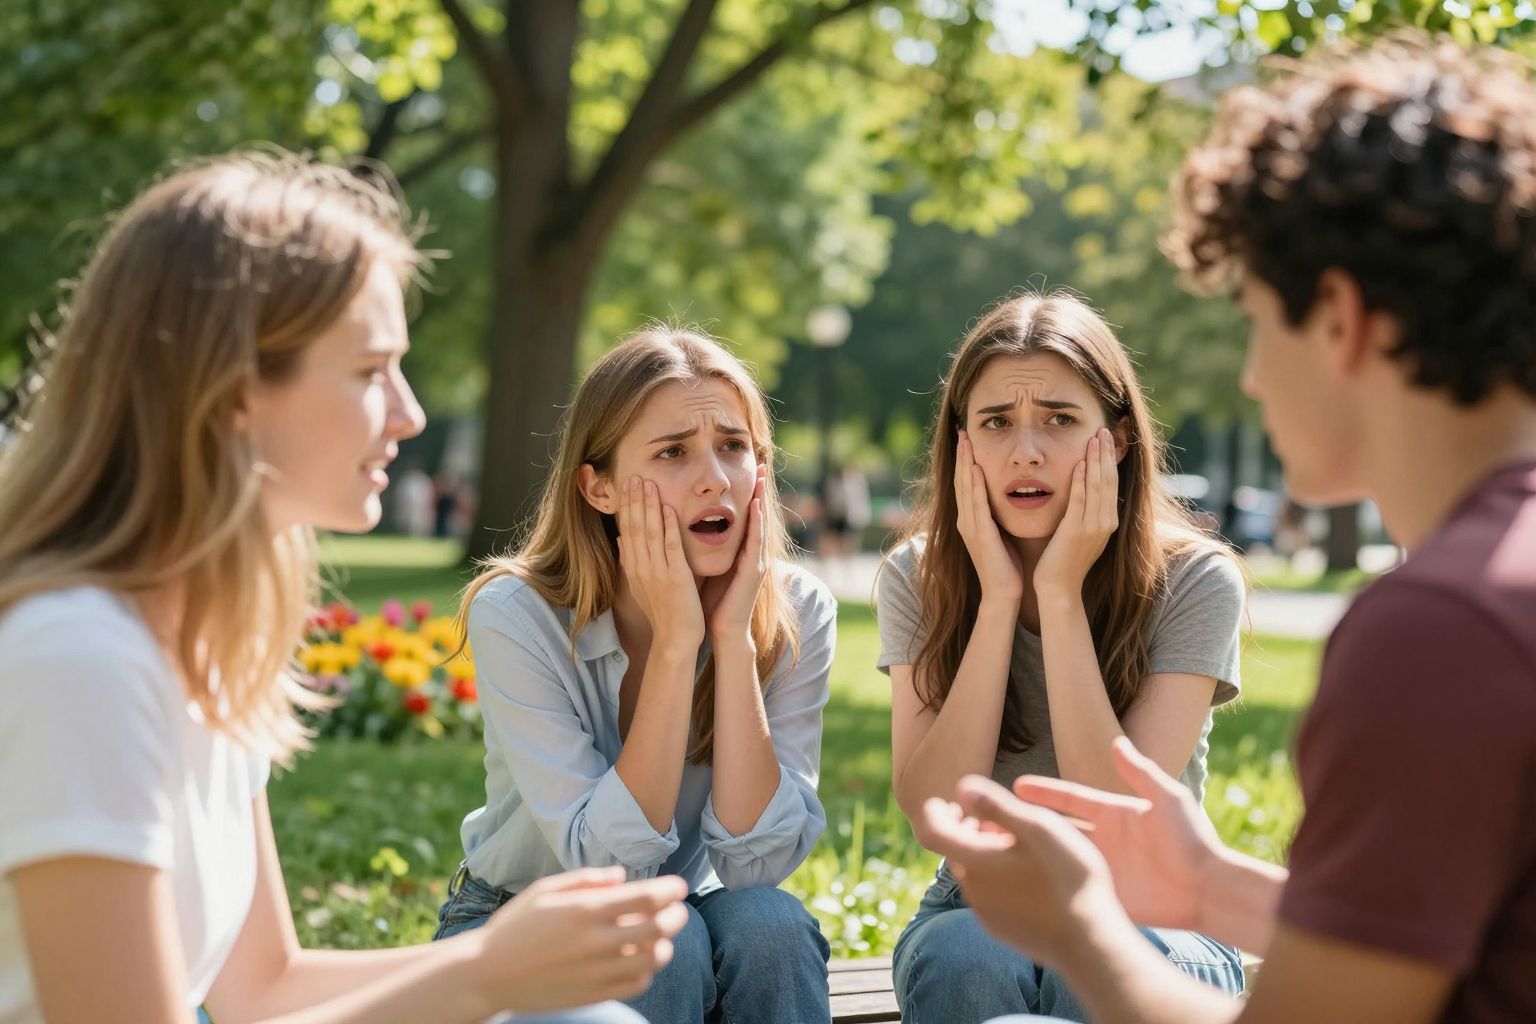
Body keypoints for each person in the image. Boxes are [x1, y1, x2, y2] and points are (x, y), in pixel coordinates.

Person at [921, 32, 1536, 1024]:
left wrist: (1077, 928)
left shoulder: (1441, 631)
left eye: (1255, 315)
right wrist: (1210, 889)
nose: (1250, 375)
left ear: (1339, 318)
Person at [0, 150, 687, 1024]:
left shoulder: (200, 642)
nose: (410, 413)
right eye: (370, 371)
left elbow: (264, 989)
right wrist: (483, 979)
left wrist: (505, 957)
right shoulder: (81, 660)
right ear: (234, 388)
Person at [436, 327, 836, 1024]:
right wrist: (680, 641)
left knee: (768, 924)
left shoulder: (797, 610)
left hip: (678, 914)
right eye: (674, 452)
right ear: (599, 487)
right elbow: (605, 867)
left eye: (734, 447)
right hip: (514, 923)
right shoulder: (519, 614)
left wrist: (732, 641)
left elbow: (755, 865)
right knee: (658, 941)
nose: (715, 477)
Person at [876, 289, 1248, 1022]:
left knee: (1098, 967)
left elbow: (1118, 815)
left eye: (1059, 419)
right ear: (962, 446)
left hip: (1159, 909)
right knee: (964, 957)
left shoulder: (1197, 579)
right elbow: (933, 813)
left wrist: (1062, 594)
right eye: (996, 422)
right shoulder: (917, 577)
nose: (1025, 450)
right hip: (978, 900)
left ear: (1113, 441)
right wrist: (998, 601)